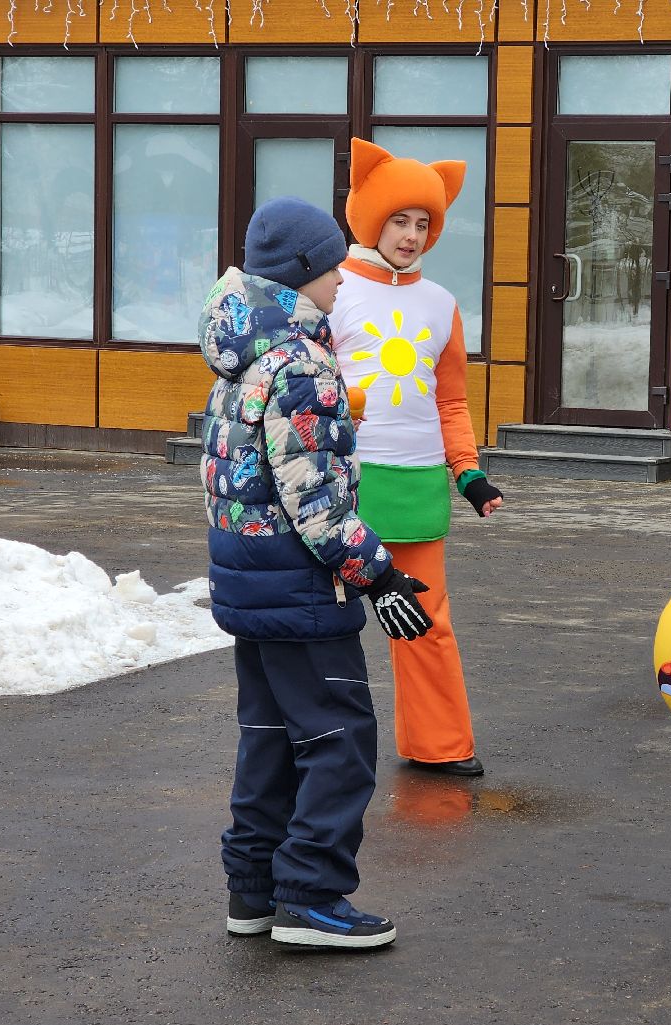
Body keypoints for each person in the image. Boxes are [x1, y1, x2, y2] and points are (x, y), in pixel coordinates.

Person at [199, 195, 435, 949]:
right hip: (302, 588)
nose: (342, 278)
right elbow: (318, 504)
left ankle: (255, 890)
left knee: (269, 736)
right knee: (339, 737)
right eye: (332, 264)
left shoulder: (242, 355)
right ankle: (313, 895)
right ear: (304, 272)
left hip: (249, 581)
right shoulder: (301, 363)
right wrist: (381, 577)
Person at [327, 138, 505, 778]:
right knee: (330, 625)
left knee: (426, 623)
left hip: (419, 485)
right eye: (399, 219)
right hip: (341, 490)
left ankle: (440, 745)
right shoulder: (333, 288)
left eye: (423, 223)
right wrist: (343, 402)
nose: (410, 234)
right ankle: (328, 748)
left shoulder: (440, 304)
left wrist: (470, 474)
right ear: (371, 214)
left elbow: (451, 401)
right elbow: (303, 386)